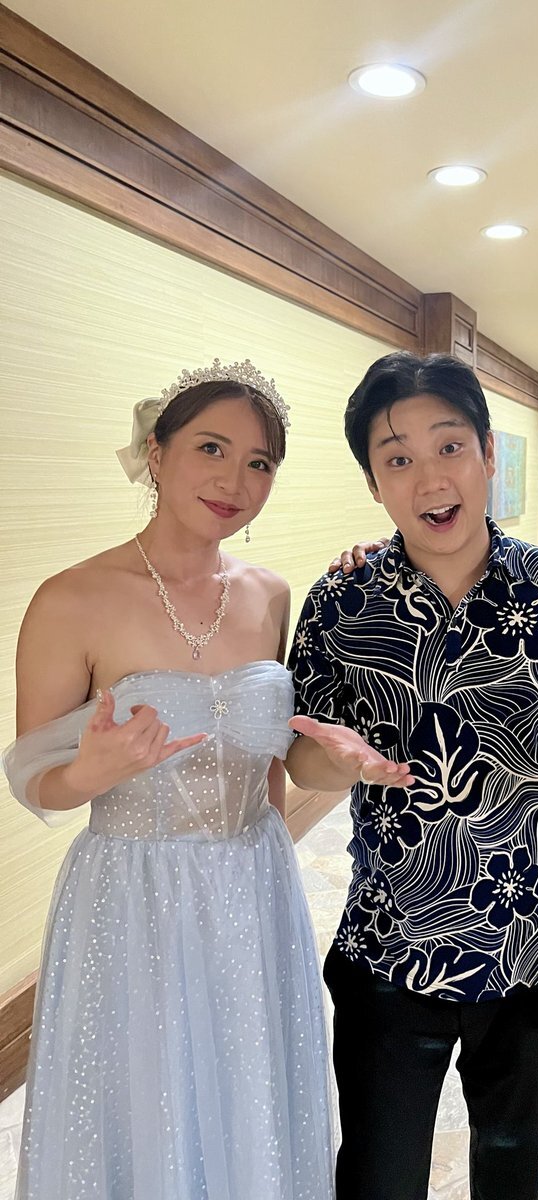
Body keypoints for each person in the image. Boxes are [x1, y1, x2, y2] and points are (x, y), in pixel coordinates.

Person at [284, 350, 538, 1200]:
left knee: (510, 1164)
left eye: (450, 446)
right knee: (379, 1174)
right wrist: (332, 762)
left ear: (490, 454)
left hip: (526, 940)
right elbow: (302, 750)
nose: (430, 478)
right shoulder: (341, 602)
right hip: (390, 946)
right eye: (398, 459)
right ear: (374, 483)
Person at [3, 360, 333, 1200]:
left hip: (255, 880)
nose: (234, 481)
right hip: (133, 891)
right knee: (146, 1096)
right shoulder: (71, 599)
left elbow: (268, 764)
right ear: (156, 451)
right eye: (211, 448)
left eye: (259, 462)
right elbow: (32, 776)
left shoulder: (270, 595)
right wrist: (88, 771)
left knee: (245, 1084)